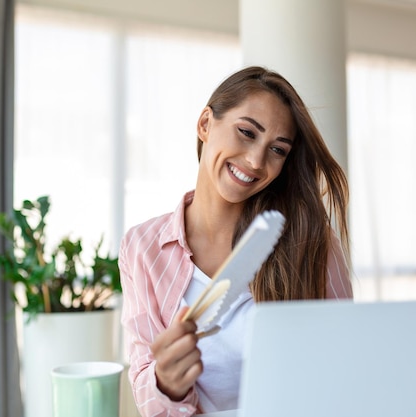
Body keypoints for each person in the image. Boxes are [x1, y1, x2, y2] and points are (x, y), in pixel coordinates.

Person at [119, 66, 353, 417]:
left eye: (277, 149)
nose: (256, 161)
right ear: (205, 124)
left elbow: (347, 365)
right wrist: (166, 383)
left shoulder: (310, 241)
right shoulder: (143, 248)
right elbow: (146, 395)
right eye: (246, 132)